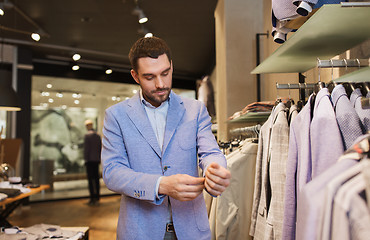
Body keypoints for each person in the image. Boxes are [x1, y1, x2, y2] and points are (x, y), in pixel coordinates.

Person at [101, 36, 231, 240]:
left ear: (171, 66)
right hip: (140, 232)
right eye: (149, 77)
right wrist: (161, 184)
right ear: (135, 76)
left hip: (191, 229)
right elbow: (112, 172)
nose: (160, 84)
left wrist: (216, 168)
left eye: (165, 73)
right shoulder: (116, 116)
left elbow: (211, 152)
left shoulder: (195, 110)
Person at [83, 119, 102, 206]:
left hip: (90, 160)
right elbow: (100, 148)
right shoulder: (97, 136)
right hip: (96, 160)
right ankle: (97, 197)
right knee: (96, 179)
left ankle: (92, 198)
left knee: (91, 180)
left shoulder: (87, 136)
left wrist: (85, 159)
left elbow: (86, 150)